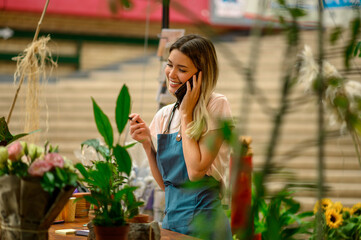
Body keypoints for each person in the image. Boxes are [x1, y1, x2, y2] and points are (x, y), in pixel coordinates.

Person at [129, 34, 233, 239]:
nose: (172, 74)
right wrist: (147, 145)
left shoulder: (217, 105)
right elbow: (166, 184)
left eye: (182, 69)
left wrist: (186, 114)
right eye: (169, 65)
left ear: (201, 75)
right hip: (171, 226)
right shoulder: (163, 116)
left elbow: (195, 172)